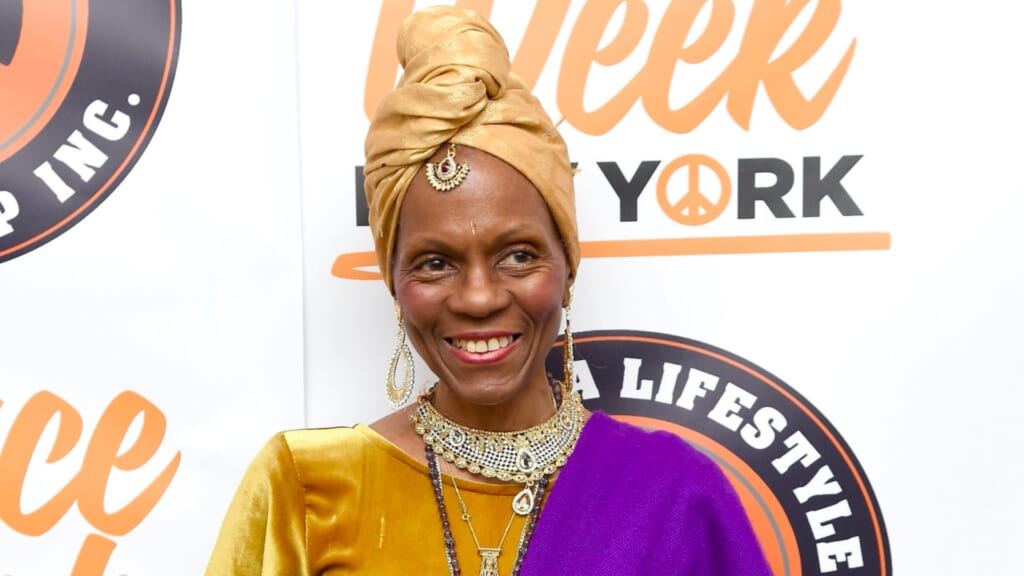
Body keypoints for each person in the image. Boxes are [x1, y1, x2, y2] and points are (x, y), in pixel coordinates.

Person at [206, 5, 773, 576]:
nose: (478, 298)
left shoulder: (674, 496)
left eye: (518, 255)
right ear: (394, 281)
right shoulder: (308, 491)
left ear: (567, 266)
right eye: (434, 263)